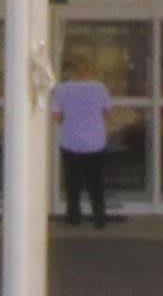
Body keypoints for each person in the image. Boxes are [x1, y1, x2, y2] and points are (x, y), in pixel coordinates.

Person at [48, 64, 116, 228]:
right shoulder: (99, 88)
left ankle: (73, 217)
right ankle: (99, 218)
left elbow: (56, 116)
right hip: (95, 142)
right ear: (89, 70)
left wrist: (68, 122)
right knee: (96, 182)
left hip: (71, 141)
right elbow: (108, 113)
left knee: (73, 183)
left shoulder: (62, 89)